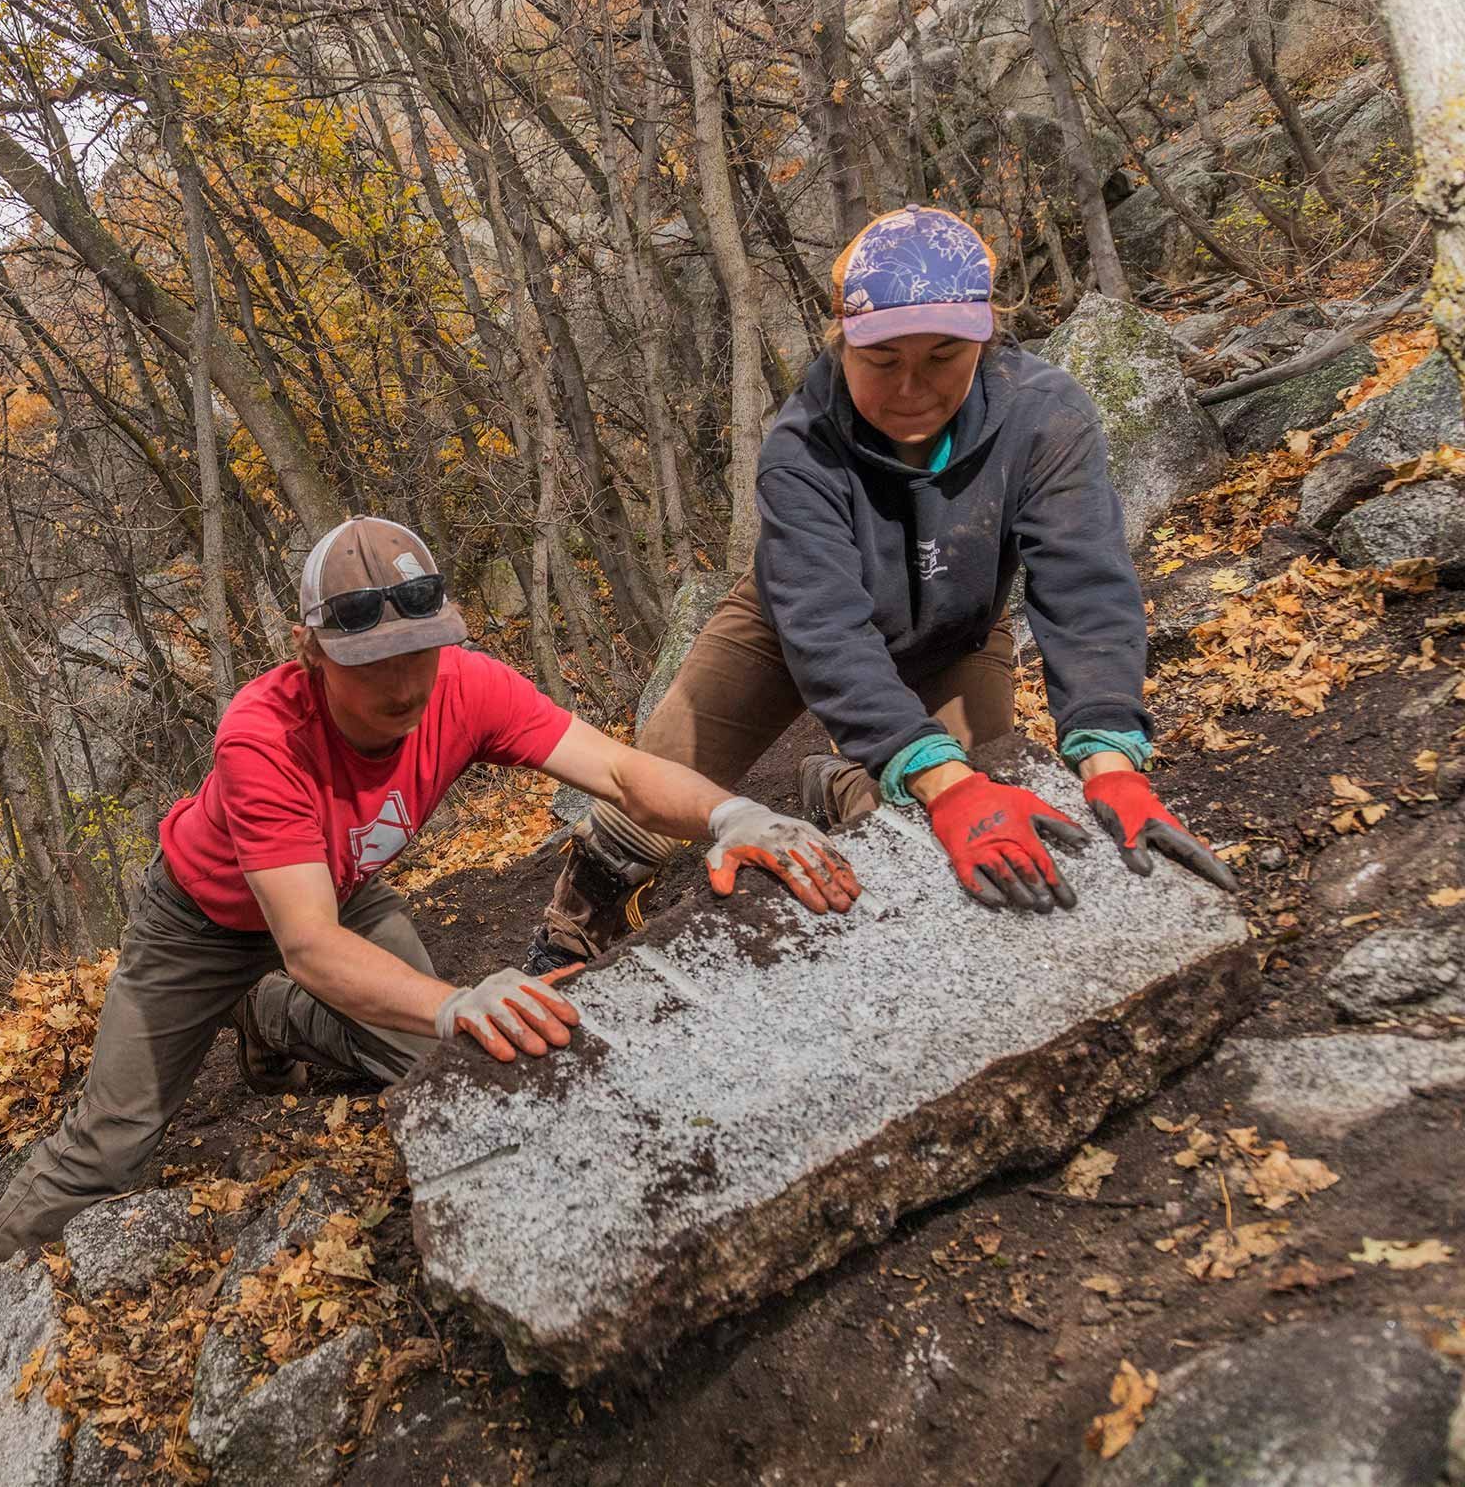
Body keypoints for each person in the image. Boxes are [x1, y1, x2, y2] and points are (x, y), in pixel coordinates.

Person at [0, 515, 858, 1425]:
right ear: (309, 653)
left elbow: (615, 769)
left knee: (445, 1066)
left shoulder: (463, 684)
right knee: (111, 1141)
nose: (402, 685)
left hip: (341, 892)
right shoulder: (260, 732)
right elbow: (305, 941)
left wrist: (733, 815)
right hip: (201, 921)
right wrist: (454, 997)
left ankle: (272, 1023)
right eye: (370, 664)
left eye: (418, 652)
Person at [528, 203, 1236, 976]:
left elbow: (1085, 586)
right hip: (787, 619)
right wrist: (927, 761)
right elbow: (825, 631)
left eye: (941, 357)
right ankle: (575, 923)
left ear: (984, 338)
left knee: (959, 809)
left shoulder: (1046, 417)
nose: (910, 387)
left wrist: (1109, 756)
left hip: (956, 629)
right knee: (654, 790)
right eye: (883, 358)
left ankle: (841, 786)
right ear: (842, 340)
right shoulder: (802, 448)